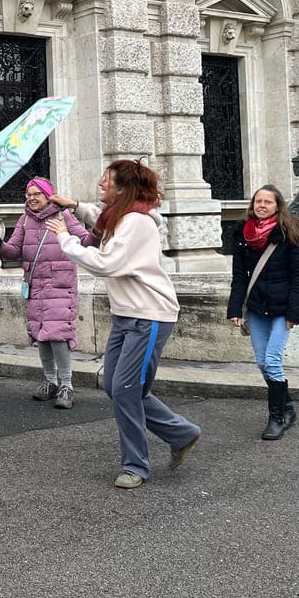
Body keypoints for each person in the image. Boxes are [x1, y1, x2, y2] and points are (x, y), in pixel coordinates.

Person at [47, 160, 200, 490]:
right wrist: (73, 206)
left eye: (106, 180)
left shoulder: (135, 222)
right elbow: (101, 225)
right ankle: (181, 433)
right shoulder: (119, 217)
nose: (101, 184)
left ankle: (136, 465)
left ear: (122, 188)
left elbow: (107, 263)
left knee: (128, 390)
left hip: (149, 316)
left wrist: (65, 239)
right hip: (126, 316)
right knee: (116, 386)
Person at [0, 177, 90, 407]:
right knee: (41, 336)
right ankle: (49, 381)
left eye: (37, 194)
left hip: (59, 284)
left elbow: (85, 240)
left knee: (58, 335)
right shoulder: (24, 219)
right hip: (35, 284)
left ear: (48, 195)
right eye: (28, 195)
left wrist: (98, 230)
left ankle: (67, 385)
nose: (32, 198)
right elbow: (14, 251)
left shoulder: (63, 215)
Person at [226, 184, 299, 441]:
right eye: (257, 201)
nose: (261, 206)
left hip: (282, 308)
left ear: (277, 206)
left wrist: (295, 313)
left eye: (268, 202)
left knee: (272, 361)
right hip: (256, 307)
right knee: (263, 363)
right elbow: (239, 277)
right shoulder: (243, 233)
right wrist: (235, 308)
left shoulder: (289, 232)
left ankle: (276, 418)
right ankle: (287, 408)